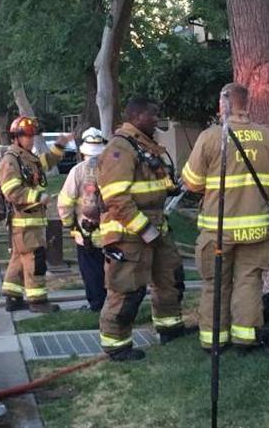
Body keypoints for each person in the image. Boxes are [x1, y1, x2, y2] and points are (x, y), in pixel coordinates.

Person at [182, 83, 269, 352]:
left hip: (218, 231)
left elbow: (192, 183)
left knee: (215, 284)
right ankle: (245, 339)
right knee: (249, 282)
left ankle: (213, 341)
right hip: (256, 231)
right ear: (247, 104)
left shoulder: (211, 137)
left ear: (223, 104)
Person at [96, 98, 187, 361]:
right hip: (129, 234)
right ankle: (116, 345)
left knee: (169, 278)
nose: (157, 120)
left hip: (156, 229)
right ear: (136, 116)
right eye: (152, 115)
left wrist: (173, 187)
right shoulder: (120, 149)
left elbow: (151, 184)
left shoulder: (145, 146)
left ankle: (170, 329)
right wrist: (144, 229)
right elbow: (116, 199)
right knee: (127, 289)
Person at [0, 117, 71, 313]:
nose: (31, 139)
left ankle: (13, 298)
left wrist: (60, 145)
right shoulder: (11, 160)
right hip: (24, 220)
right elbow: (11, 191)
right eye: (27, 136)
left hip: (30, 220)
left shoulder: (26, 158)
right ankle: (37, 301)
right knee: (34, 259)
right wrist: (39, 196)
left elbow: (46, 162)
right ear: (16, 137)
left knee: (19, 258)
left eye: (32, 136)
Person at [57, 128, 109, 311]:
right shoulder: (113, 170)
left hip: (85, 233)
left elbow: (64, 202)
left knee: (91, 272)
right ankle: (112, 303)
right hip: (112, 233)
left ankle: (96, 304)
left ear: (82, 151)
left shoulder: (77, 172)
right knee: (111, 270)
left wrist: (69, 224)